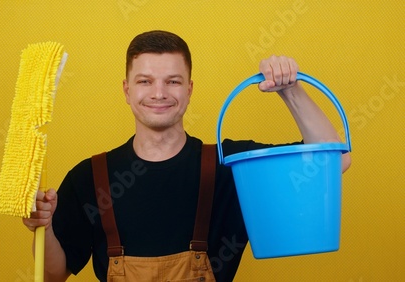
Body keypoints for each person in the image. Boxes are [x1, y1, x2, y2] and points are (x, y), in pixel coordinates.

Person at [22, 30, 351, 282]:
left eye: (173, 81)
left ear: (189, 89)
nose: (159, 93)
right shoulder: (89, 178)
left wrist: (290, 89)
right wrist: (45, 227)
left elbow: (334, 162)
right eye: (145, 81)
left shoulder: (231, 166)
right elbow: (53, 276)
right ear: (126, 90)